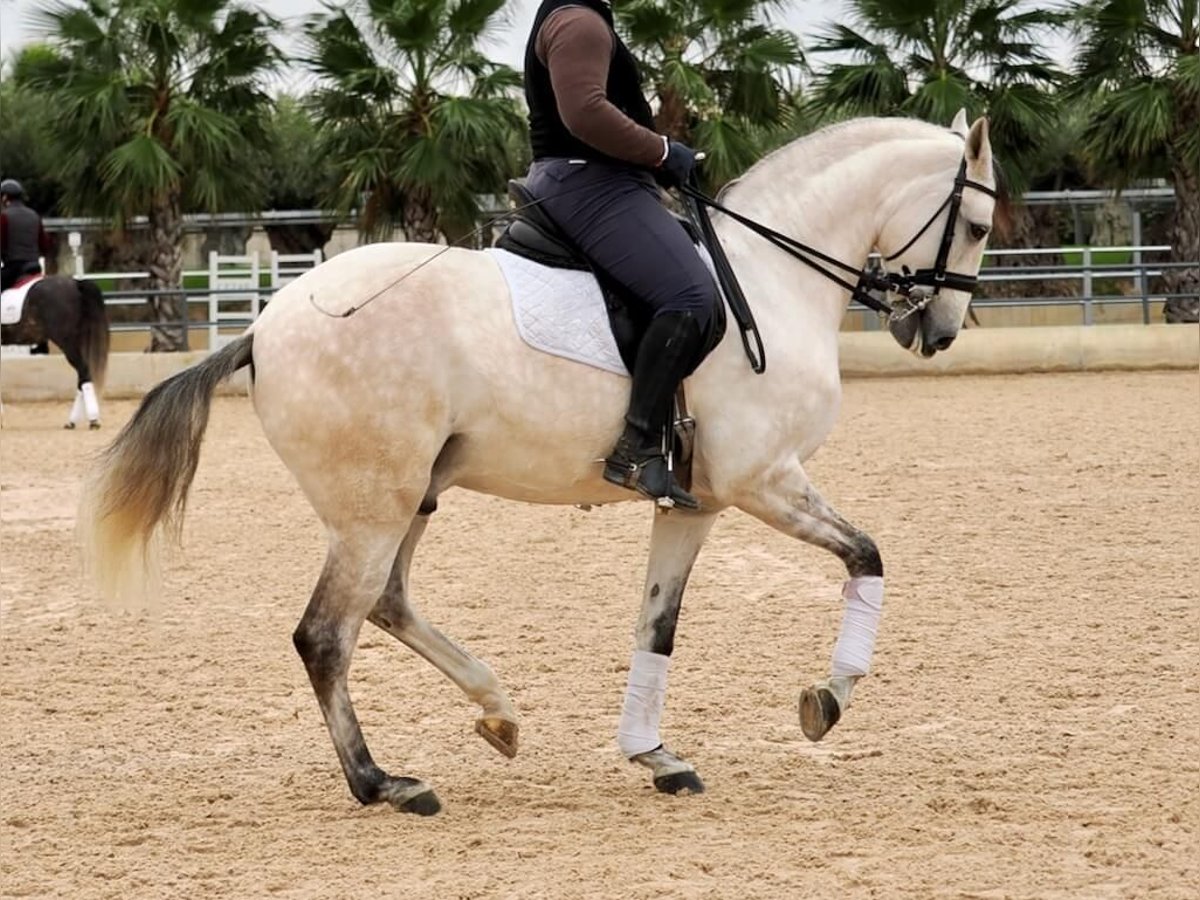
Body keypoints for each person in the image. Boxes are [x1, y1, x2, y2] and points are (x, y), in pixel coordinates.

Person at [522, 0, 719, 510]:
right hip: (590, 182)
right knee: (691, 295)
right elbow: (584, 111)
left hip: (595, 179)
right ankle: (635, 449)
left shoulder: (579, 16)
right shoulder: (579, 21)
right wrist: (660, 150)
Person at [0, 179, 51, 292]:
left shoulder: (4, 217)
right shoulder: (34, 215)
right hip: (35, 267)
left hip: (14, 268)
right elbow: (45, 245)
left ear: (5, 197)